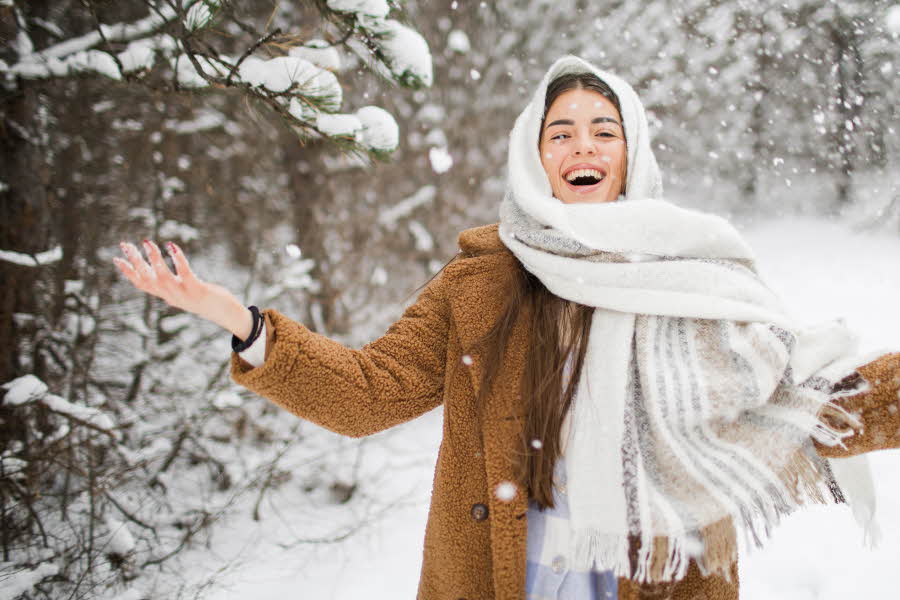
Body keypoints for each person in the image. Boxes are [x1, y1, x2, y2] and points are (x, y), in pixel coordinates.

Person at [114, 55, 900, 600]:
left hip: (654, 568)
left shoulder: (695, 271)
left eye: (603, 129)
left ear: (632, 152)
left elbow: (794, 404)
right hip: (507, 567)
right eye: (561, 132)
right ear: (535, 155)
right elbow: (368, 395)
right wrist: (241, 322)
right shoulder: (479, 280)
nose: (582, 146)